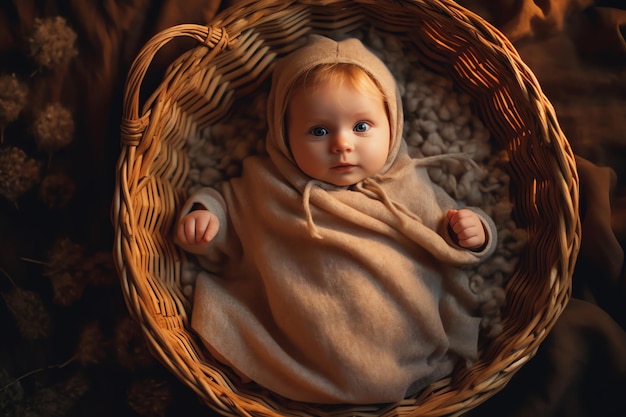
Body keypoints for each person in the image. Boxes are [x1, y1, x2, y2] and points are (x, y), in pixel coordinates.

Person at [174, 35, 497, 404]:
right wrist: (204, 216)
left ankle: (375, 373)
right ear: (283, 134)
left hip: (397, 334)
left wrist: (476, 232)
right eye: (319, 131)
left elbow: (451, 235)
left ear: (393, 125)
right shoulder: (267, 185)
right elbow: (226, 213)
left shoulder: (408, 183)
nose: (342, 144)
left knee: (386, 356)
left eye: (361, 127)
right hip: (301, 335)